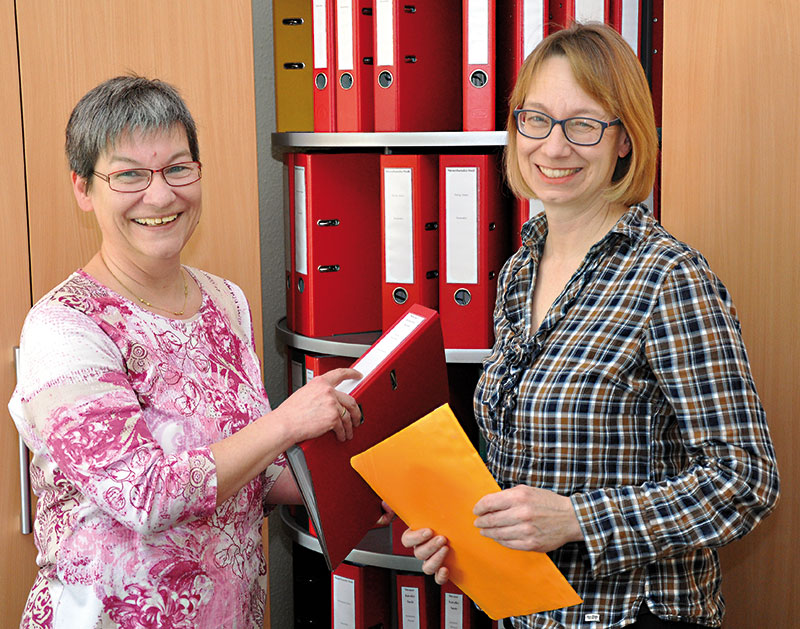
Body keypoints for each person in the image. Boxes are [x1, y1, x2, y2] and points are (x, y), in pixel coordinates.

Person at [402, 22, 779, 629]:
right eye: (537, 119)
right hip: (524, 612)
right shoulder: (520, 269)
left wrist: (579, 519)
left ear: (624, 141)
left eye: (584, 124)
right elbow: (524, 458)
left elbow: (745, 480)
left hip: (629, 616)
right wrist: (461, 530)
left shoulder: (669, 279)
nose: (554, 147)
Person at [8, 75, 372, 628]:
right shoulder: (65, 328)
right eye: (129, 174)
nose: (160, 195)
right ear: (83, 188)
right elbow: (143, 495)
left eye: (178, 168)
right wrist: (287, 423)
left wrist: (368, 483)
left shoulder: (225, 301)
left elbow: (248, 469)